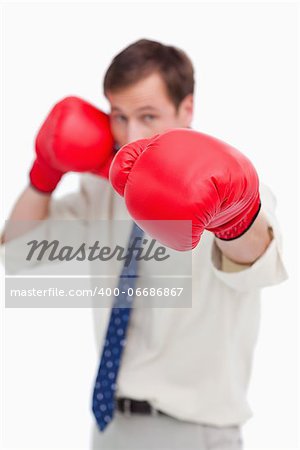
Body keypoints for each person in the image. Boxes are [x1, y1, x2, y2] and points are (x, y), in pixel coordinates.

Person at [2, 39, 288, 450]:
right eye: (119, 116)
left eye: (148, 116)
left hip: (194, 430)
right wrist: (44, 174)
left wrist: (234, 216)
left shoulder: (227, 181)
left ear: (186, 109)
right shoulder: (101, 190)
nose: (131, 134)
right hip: (109, 426)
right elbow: (18, 250)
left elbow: (259, 265)